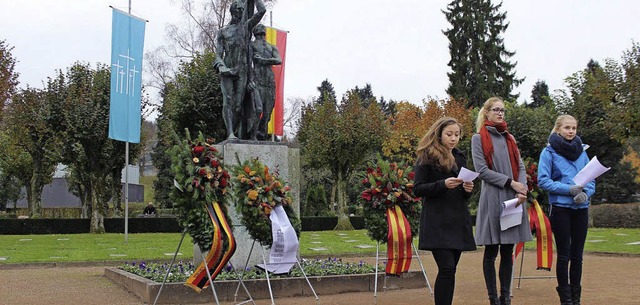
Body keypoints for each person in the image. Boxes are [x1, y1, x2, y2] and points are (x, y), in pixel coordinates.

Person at [471, 97, 532, 305]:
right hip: (493, 199)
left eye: (503, 111)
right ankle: (493, 298)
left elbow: (521, 167)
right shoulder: (478, 138)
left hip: (513, 198)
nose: (500, 114)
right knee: (491, 250)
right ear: (486, 113)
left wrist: (522, 188)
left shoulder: (510, 138)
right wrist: (511, 183)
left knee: (508, 250)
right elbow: (482, 171)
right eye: (496, 110)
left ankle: (506, 297)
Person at [413, 117, 476, 305]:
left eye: (457, 134)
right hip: (437, 220)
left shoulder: (460, 157)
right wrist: (442, 184)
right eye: (449, 134)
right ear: (439, 134)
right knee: (447, 268)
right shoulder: (427, 157)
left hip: (457, 219)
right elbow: (418, 188)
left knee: (451, 270)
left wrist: (467, 190)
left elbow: (464, 192)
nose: (454, 138)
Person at [537, 115, 595, 305]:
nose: (571, 131)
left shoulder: (583, 151)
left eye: (574, 128)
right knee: (564, 255)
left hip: (581, 208)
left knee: (578, 256)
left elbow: (591, 178)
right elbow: (543, 181)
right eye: (567, 128)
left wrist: (586, 193)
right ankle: (566, 300)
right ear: (558, 129)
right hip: (561, 208)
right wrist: (568, 190)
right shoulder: (549, 152)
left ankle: (576, 298)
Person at [214, 0, 266, 139]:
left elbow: (261, 11)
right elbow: (218, 55)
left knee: (237, 106)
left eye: (242, 10)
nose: (240, 12)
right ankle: (230, 133)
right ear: (232, 11)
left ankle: (237, 131)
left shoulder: (246, 27)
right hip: (228, 70)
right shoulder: (223, 32)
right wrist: (222, 67)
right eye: (238, 9)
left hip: (242, 71)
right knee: (228, 100)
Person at [251, 23, 282, 140]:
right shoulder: (251, 45)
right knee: (258, 109)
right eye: (259, 34)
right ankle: (253, 135)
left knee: (267, 113)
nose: (261, 36)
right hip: (257, 80)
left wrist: (263, 60)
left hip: (269, 81)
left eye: (262, 33)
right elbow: (247, 63)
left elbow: (279, 60)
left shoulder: (272, 47)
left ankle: (261, 136)